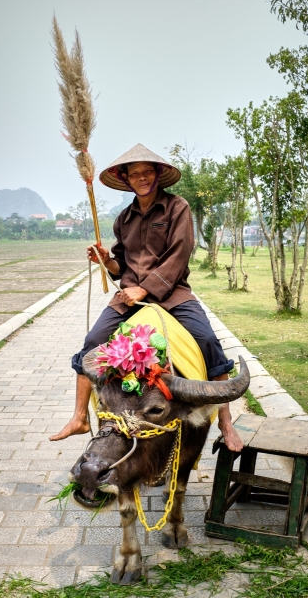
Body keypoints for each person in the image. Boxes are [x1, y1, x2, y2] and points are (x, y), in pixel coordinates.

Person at [50, 143, 243, 451]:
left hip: (173, 293)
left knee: (207, 340)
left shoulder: (177, 207)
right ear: (126, 180)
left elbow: (180, 253)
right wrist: (104, 259)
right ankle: (79, 417)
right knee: (92, 342)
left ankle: (226, 422)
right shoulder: (123, 219)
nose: (141, 177)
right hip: (128, 297)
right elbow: (120, 265)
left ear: (157, 174)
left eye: (147, 171)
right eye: (134, 173)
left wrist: (147, 287)